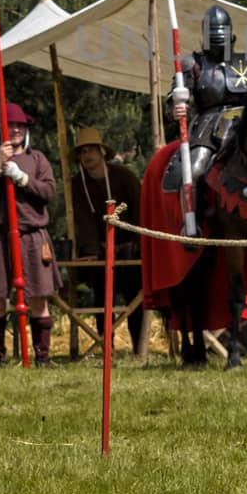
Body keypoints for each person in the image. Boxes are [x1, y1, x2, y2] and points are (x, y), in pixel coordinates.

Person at [0, 102, 59, 366]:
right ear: (0, 128)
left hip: (32, 237)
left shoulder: (37, 159)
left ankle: (42, 358)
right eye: (11, 126)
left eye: (20, 125)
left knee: (38, 299)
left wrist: (23, 179)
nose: (16, 130)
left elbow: (49, 193)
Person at [166, 5, 247, 237]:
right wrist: (177, 108)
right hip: (209, 126)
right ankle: (191, 224)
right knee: (194, 169)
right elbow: (173, 96)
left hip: (246, 124)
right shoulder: (191, 64)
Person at [66, 126, 143, 350]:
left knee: (134, 299)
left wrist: (139, 244)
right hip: (100, 252)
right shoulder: (77, 184)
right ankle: (105, 347)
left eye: (91, 150)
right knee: (102, 300)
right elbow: (83, 220)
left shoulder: (125, 177)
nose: (87, 156)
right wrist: (92, 250)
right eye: (82, 152)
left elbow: (139, 213)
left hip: (130, 249)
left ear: (101, 152)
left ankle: (139, 346)